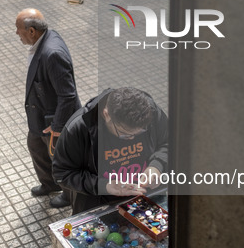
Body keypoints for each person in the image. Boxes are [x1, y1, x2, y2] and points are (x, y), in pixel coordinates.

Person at [52, 87, 168, 215]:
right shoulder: (79, 128)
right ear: (106, 114)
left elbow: (170, 142)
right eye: (124, 134)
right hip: (101, 204)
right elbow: (62, 173)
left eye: (140, 132)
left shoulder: (152, 113)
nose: (131, 138)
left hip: (148, 196)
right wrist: (104, 185)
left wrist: (157, 166)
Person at [14, 8, 80, 208]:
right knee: (36, 146)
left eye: (18, 29)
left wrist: (58, 126)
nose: (17, 33)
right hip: (40, 115)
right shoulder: (45, 39)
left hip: (54, 120)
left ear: (32, 31)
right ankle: (49, 184)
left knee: (59, 158)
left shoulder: (52, 54)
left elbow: (68, 95)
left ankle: (69, 196)